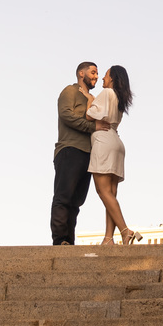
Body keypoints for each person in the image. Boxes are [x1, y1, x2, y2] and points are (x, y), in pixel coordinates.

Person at [81, 64, 141, 245]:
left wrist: (89, 99)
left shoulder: (106, 93)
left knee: (103, 191)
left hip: (103, 141)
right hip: (116, 141)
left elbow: (90, 116)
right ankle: (108, 238)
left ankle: (125, 231)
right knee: (111, 194)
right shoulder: (120, 99)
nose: (102, 79)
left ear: (113, 78)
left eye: (105, 75)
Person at [51, 61, 99, 245]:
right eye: (93, 72)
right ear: (81, 73)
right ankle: (59, 240)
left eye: (97, 73)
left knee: (76, 202)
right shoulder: (70, 91)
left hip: (88, 154)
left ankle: (68, 243)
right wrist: (91, 127)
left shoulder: (92, 98)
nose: (95, 76)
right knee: (63, 197)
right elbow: (66, 114)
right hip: (69, 149)